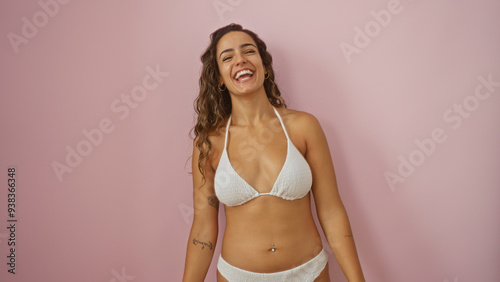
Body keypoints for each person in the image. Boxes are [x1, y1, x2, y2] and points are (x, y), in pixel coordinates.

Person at [183, 23, 365, 282]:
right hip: (237, 276)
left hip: (309, 273)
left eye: (249, 51)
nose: (240, 60)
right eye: (228, 57)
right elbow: (203, 225)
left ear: (264, 66)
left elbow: (332, 211)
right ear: (220, 78)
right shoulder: (209, 142)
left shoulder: (304, 127)